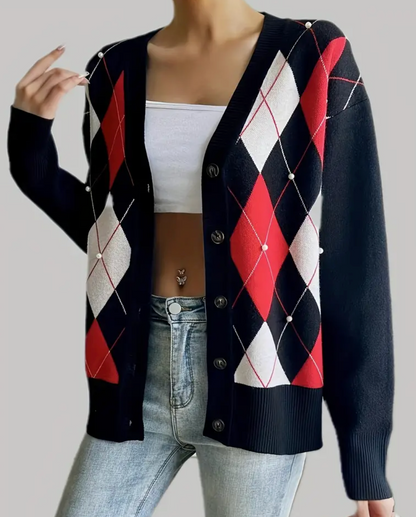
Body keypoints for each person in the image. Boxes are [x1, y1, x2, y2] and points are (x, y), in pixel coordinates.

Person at [6, 2, 397, 517]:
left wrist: (366, 457)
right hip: (133, 371)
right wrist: (29, 146)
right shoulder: (112, 68)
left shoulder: (313, 55)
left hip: (260, 371)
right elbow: (111, 235)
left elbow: (355, 260)